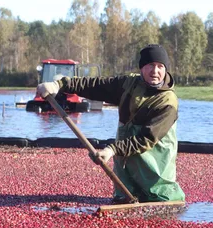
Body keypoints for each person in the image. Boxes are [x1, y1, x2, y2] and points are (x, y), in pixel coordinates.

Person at [36, 44, 185, 203]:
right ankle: (125, 198)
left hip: (154, 162)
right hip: (126, 162)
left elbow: (146, 138)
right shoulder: (129, 85)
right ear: (142, 68)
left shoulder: (167, 101)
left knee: (160, 199)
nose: (155, 71)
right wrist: (60, 85)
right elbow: (95, 85)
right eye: (150, 65)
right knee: (124, 200)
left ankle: (164, 201)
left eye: (160, 66)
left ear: (165, 70)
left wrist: (112, 149)